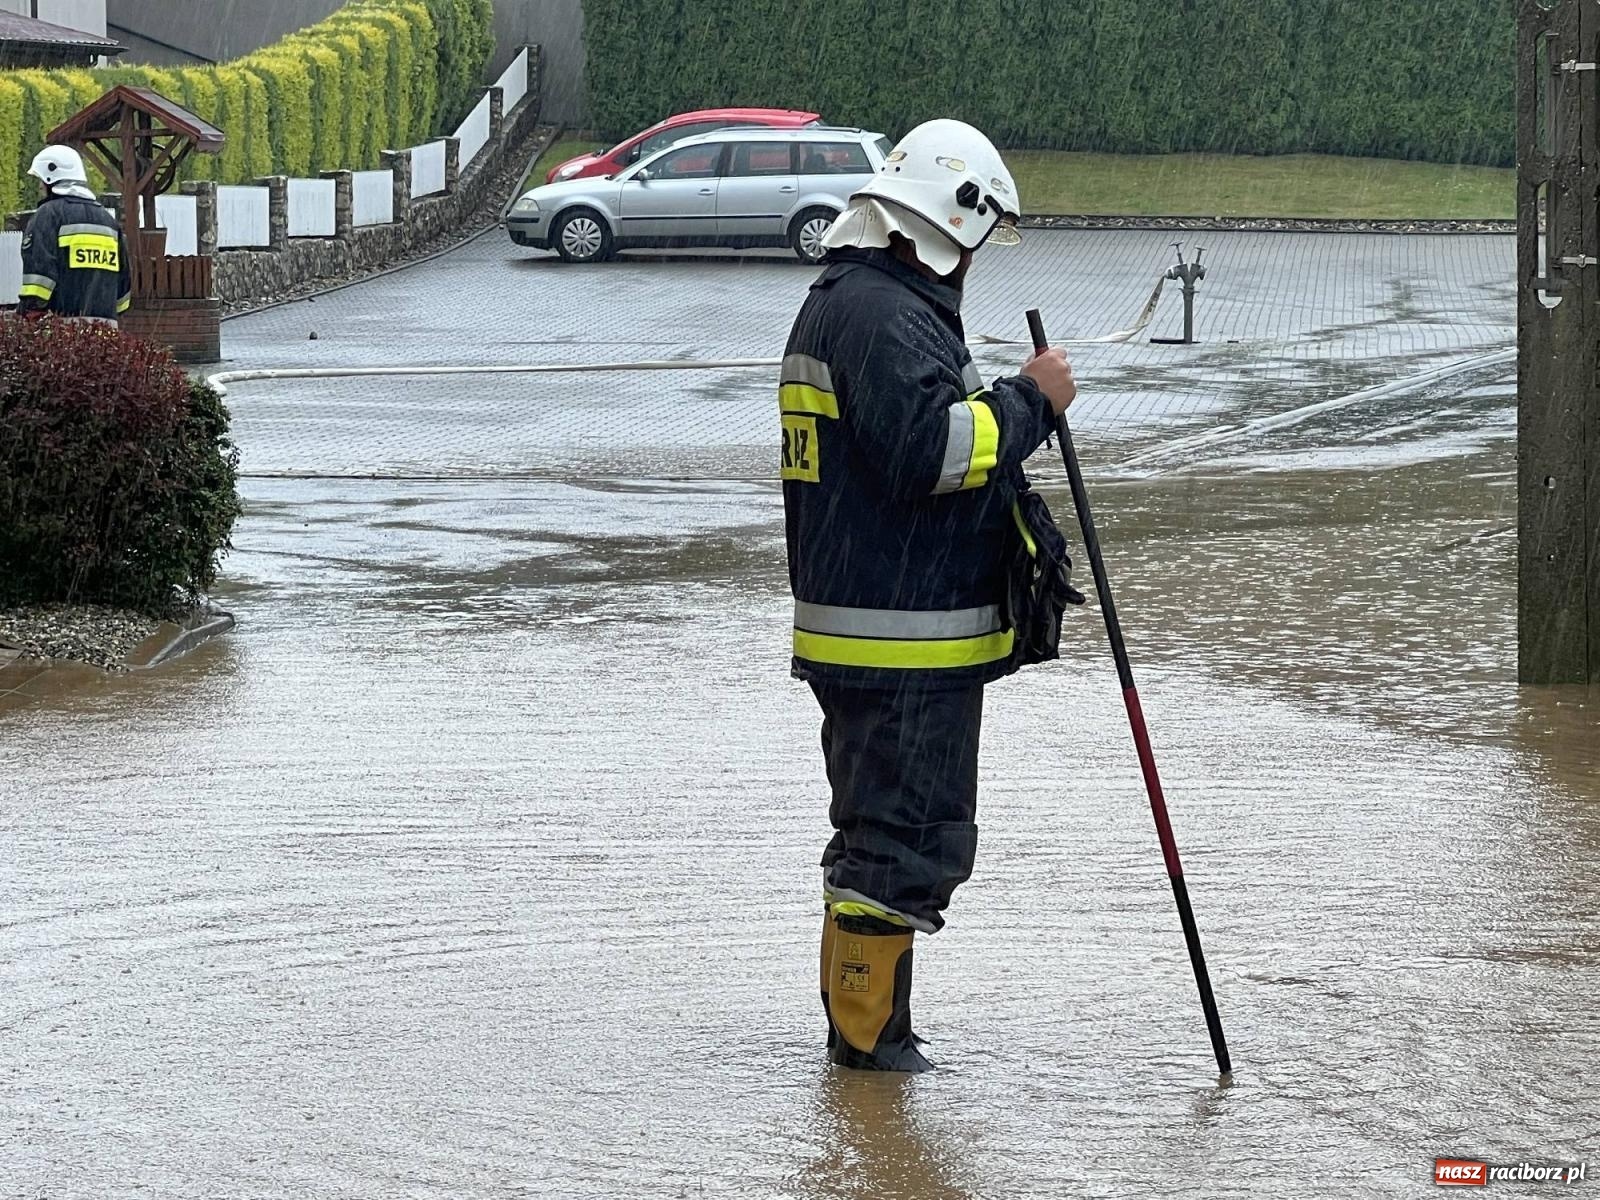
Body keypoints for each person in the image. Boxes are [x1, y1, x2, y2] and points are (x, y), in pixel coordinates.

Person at [780, 119, 1079, 1072]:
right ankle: (869, 1060)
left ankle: (871, 1045)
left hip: (879, 636)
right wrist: (1031, 400)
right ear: (954, 223)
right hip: (901, 644)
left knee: (884, 840)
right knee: (902, 846)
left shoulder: (853, 301)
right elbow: (928, 453)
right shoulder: (881, 315)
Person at [17, 144, 132, 325]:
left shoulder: (48, 215)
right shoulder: (108, 221)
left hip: (62, 334)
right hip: (106, 336)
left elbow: (38, 279)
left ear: (51, 177)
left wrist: (26, 316)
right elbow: (123, 298)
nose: (40, 186)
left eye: (41, 180)